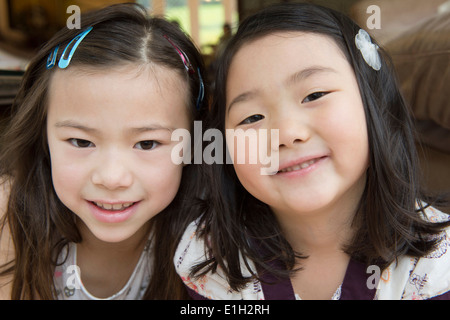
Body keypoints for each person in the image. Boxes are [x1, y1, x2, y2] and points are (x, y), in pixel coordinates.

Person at [174, 3, 450, 300]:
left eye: (314, 95)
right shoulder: (210, 255)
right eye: (251, 117)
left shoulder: (435, 266)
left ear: (375, 105)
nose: (288, 134)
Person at [0, 3, 206, 300]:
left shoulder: (208, 236)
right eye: (81, 142)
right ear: (42, 137)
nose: (112, 178)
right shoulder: (10, 216)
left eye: (147, 144)